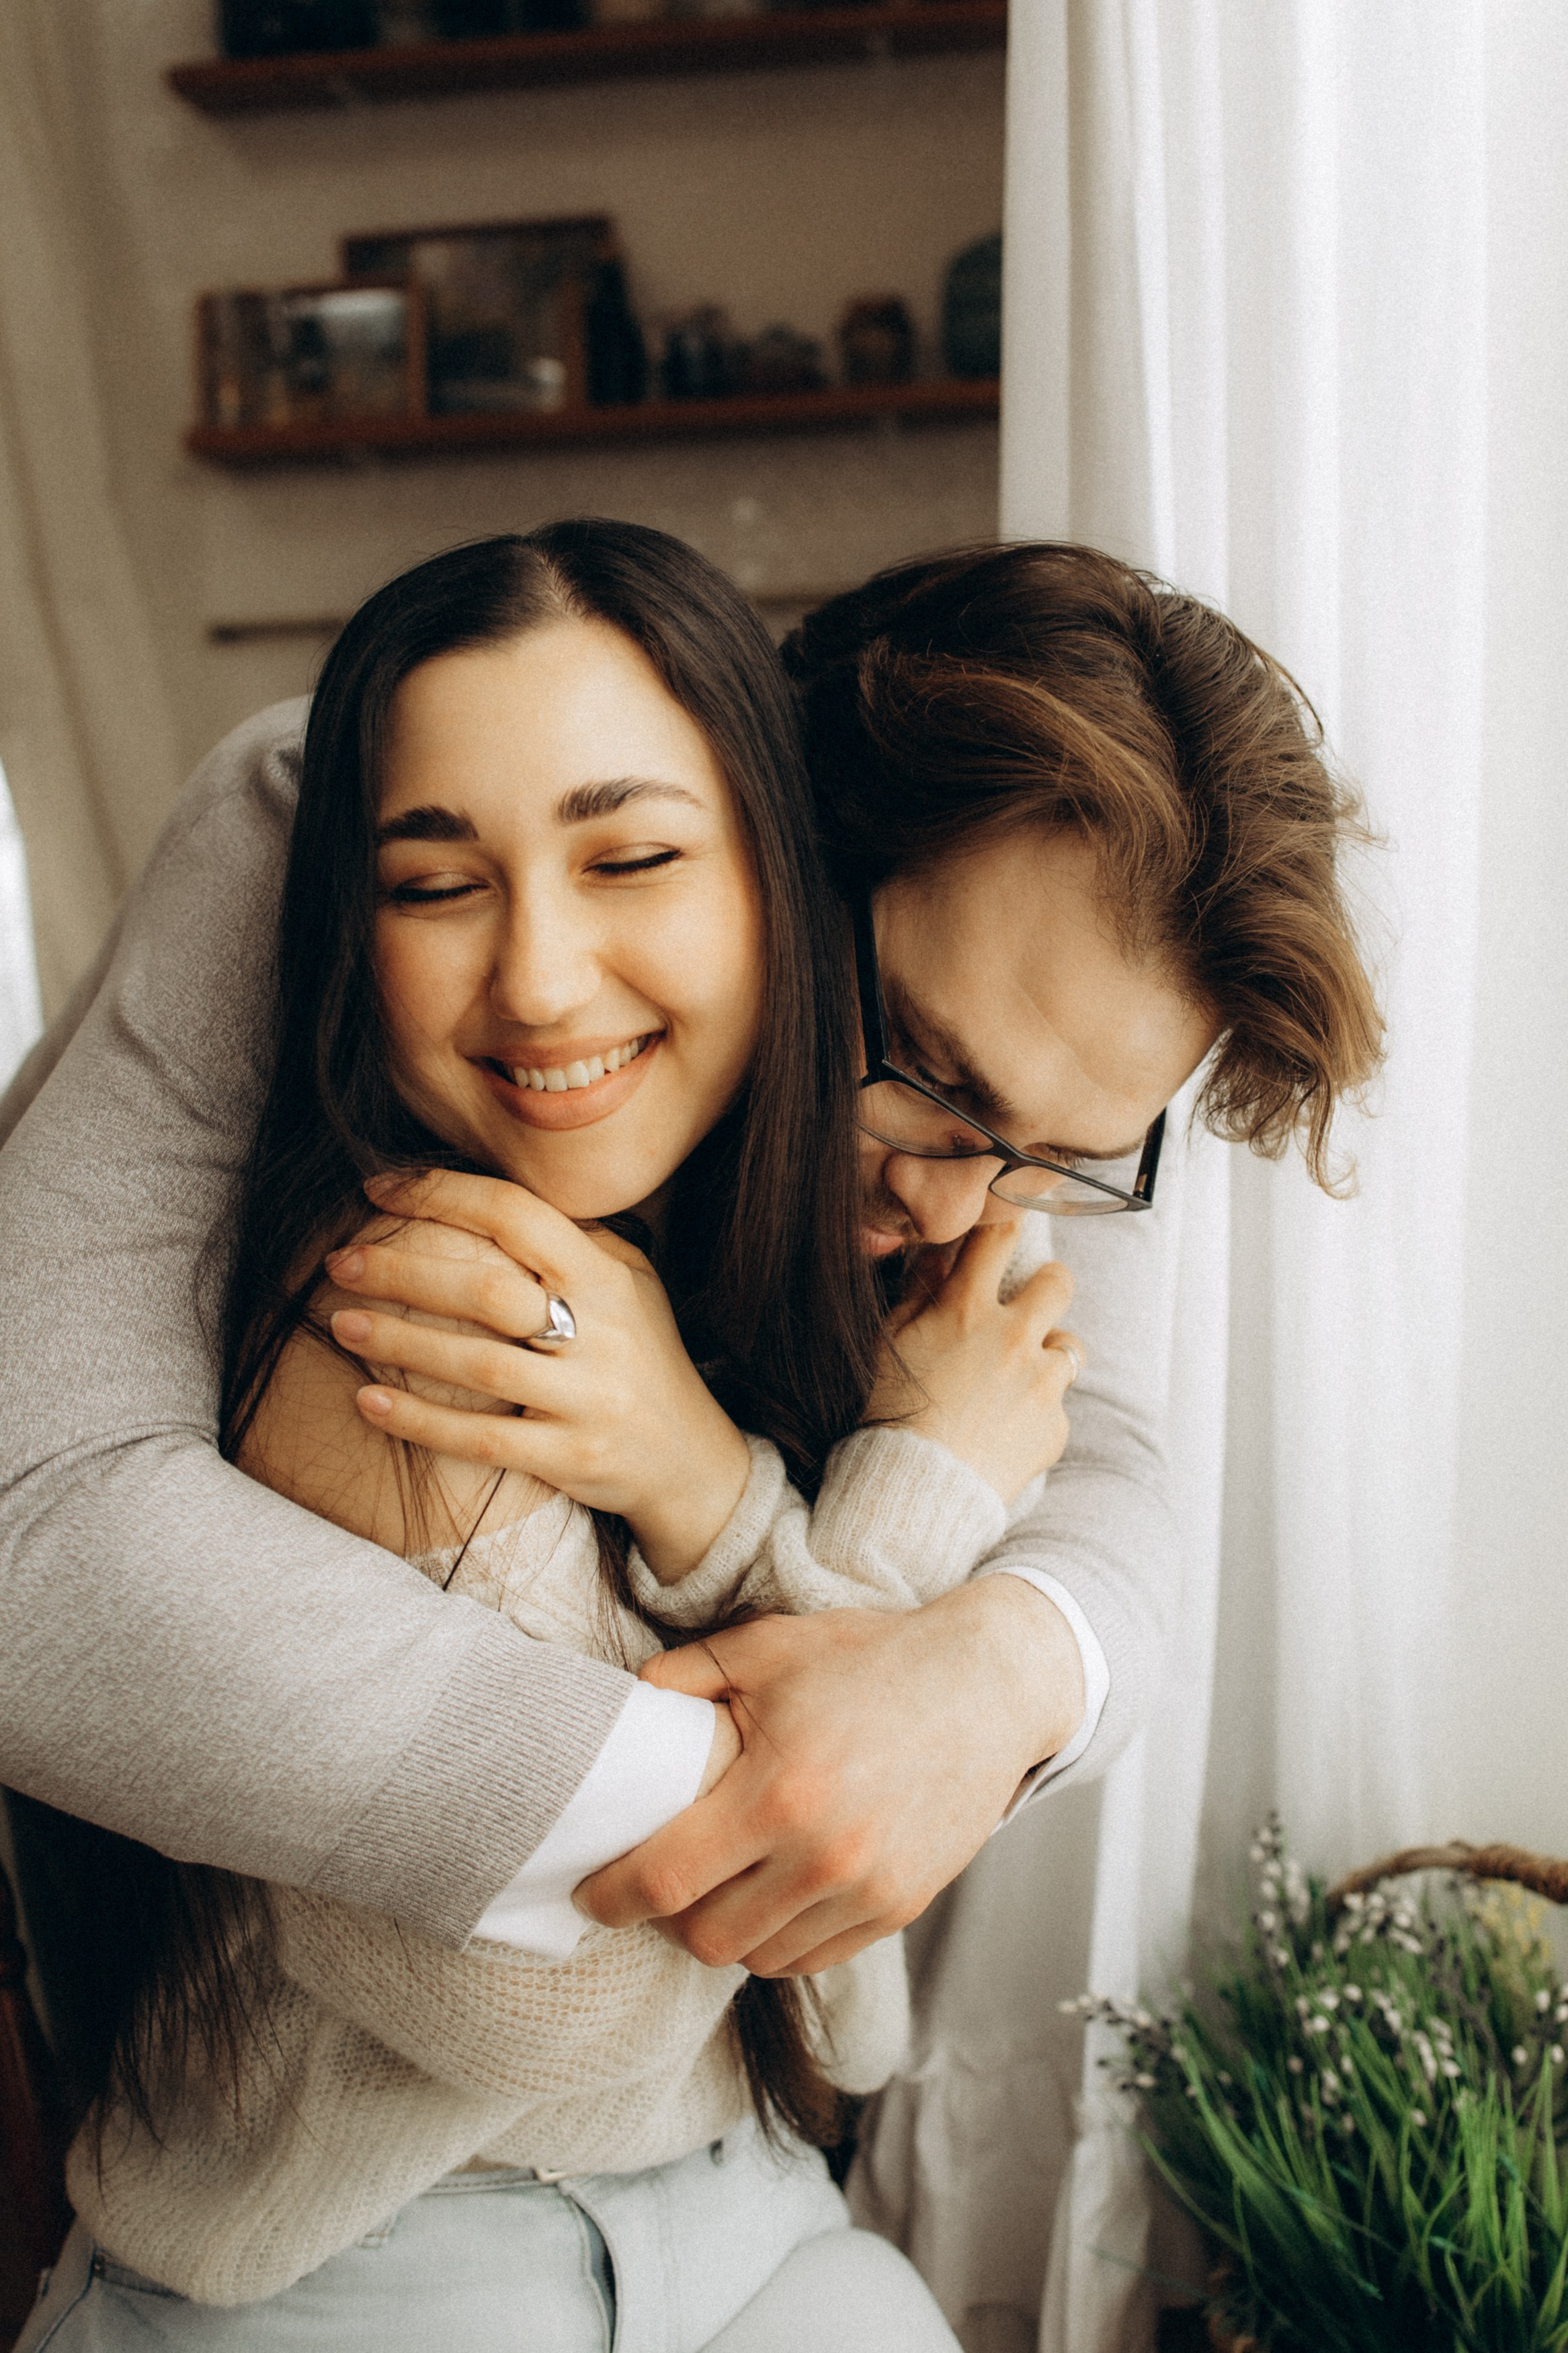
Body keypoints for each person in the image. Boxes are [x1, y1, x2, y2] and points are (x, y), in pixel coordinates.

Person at [0, 538, 1378, 2102]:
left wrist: (987, 1673)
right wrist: (784, 1767)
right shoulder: (332, 827)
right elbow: (28, 1521)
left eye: (1055, 1162)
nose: (957, 1210)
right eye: (924, 1068)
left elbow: (1094, 1434)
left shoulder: (1050, 1060)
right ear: (775, 831)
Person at [17, 524, 1098, 2349]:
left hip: (756, 2224)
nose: (534, 977)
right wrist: (896, 1537)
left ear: (777, 880)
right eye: (435, 884)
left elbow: (846, 2022)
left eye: (631, 857)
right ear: (344, 934)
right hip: (370, 2275)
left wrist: (706, 1484)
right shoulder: (417, 1309)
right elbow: (599, 2005)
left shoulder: (747, 1252)